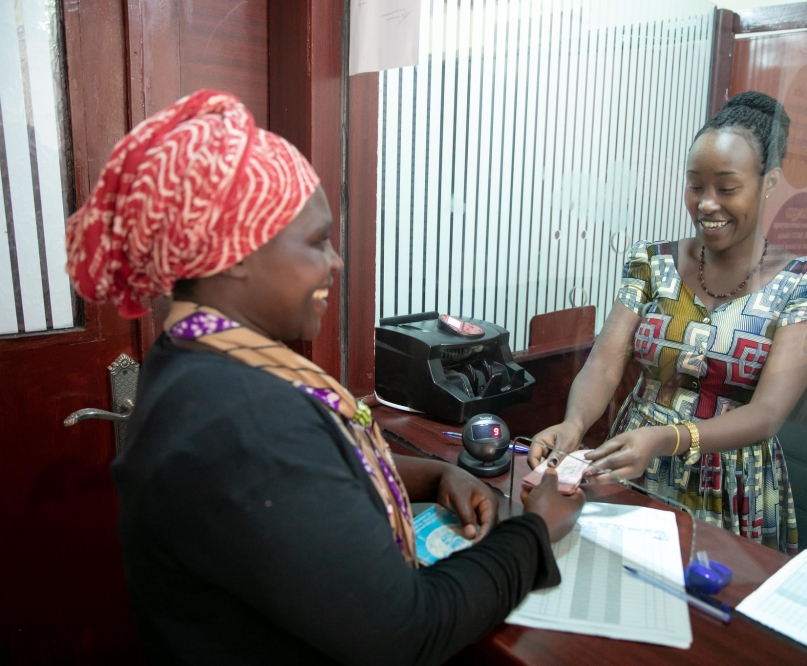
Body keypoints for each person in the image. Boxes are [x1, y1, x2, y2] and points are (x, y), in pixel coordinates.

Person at [65, 90, 584, 665]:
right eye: (317, 242)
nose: (336, 262)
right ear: (235, 251)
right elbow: (406, 632)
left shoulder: (194, 358)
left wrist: (433, 475)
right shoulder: (240, 414)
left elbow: (306, 478)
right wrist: (535, 531)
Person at [528, 91, 807, 554]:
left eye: (727, 188)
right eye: (695, 186)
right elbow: (606, 361)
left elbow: (768, 413)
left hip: (731, 481)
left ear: (769, 182)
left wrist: (669, 438)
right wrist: (574, 424)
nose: (706, 204)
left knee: (714, 608)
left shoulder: (806, 284)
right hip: (636, 461)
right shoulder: (652, 263)